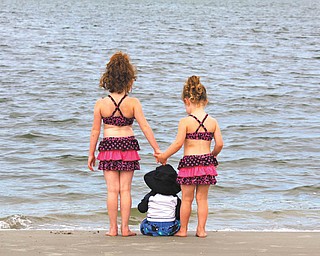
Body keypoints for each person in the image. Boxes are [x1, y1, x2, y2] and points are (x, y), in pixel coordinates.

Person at [88, 52, 161, 237]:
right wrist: (156, 149)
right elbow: (144, 126)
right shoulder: (133, 103)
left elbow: (95, 131)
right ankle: (125, 228)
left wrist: (91, 154)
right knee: (125, 189)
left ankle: (112, 228)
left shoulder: (101, 104)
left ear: (108, 78)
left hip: (108, 147)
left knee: (112, 190)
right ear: (129, 78)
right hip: (128, 146)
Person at [155, 75, 223, 238]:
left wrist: (164, 156)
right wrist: (212, 155)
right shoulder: (212, 121)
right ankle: (201, 230)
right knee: (202, 199)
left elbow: (178, 144)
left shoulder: (185, 121)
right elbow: (219, 144)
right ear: (205, 101)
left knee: (186, 199)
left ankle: (183, 230)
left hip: (189, 163)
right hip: (206, 163)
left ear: (187, 100)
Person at [138, 164, 181, 236]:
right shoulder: (175, 198)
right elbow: (178, 214)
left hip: (150, 229)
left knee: (144, 222)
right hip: (169, 229)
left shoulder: (150, 196)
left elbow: (141, 209)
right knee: (178, 222)